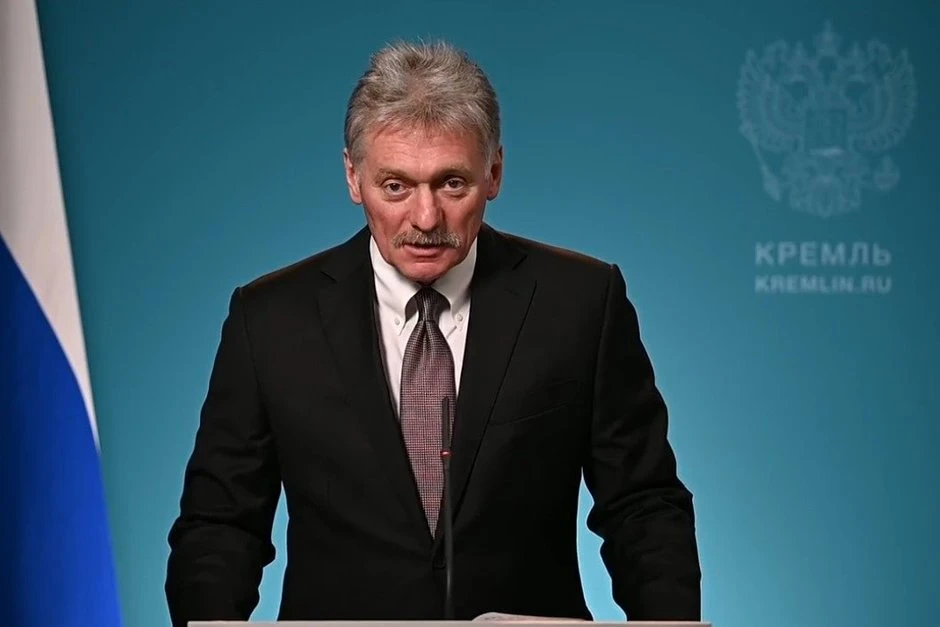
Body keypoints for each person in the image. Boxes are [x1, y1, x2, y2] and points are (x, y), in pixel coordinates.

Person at [165, 40, 701, 626]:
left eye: (451, 184)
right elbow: (221, 527)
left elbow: (643, 508)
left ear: (494, 172)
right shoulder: (268, 319)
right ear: (353, 177)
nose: (425, 219)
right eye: (396, 186)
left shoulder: (581, 303)